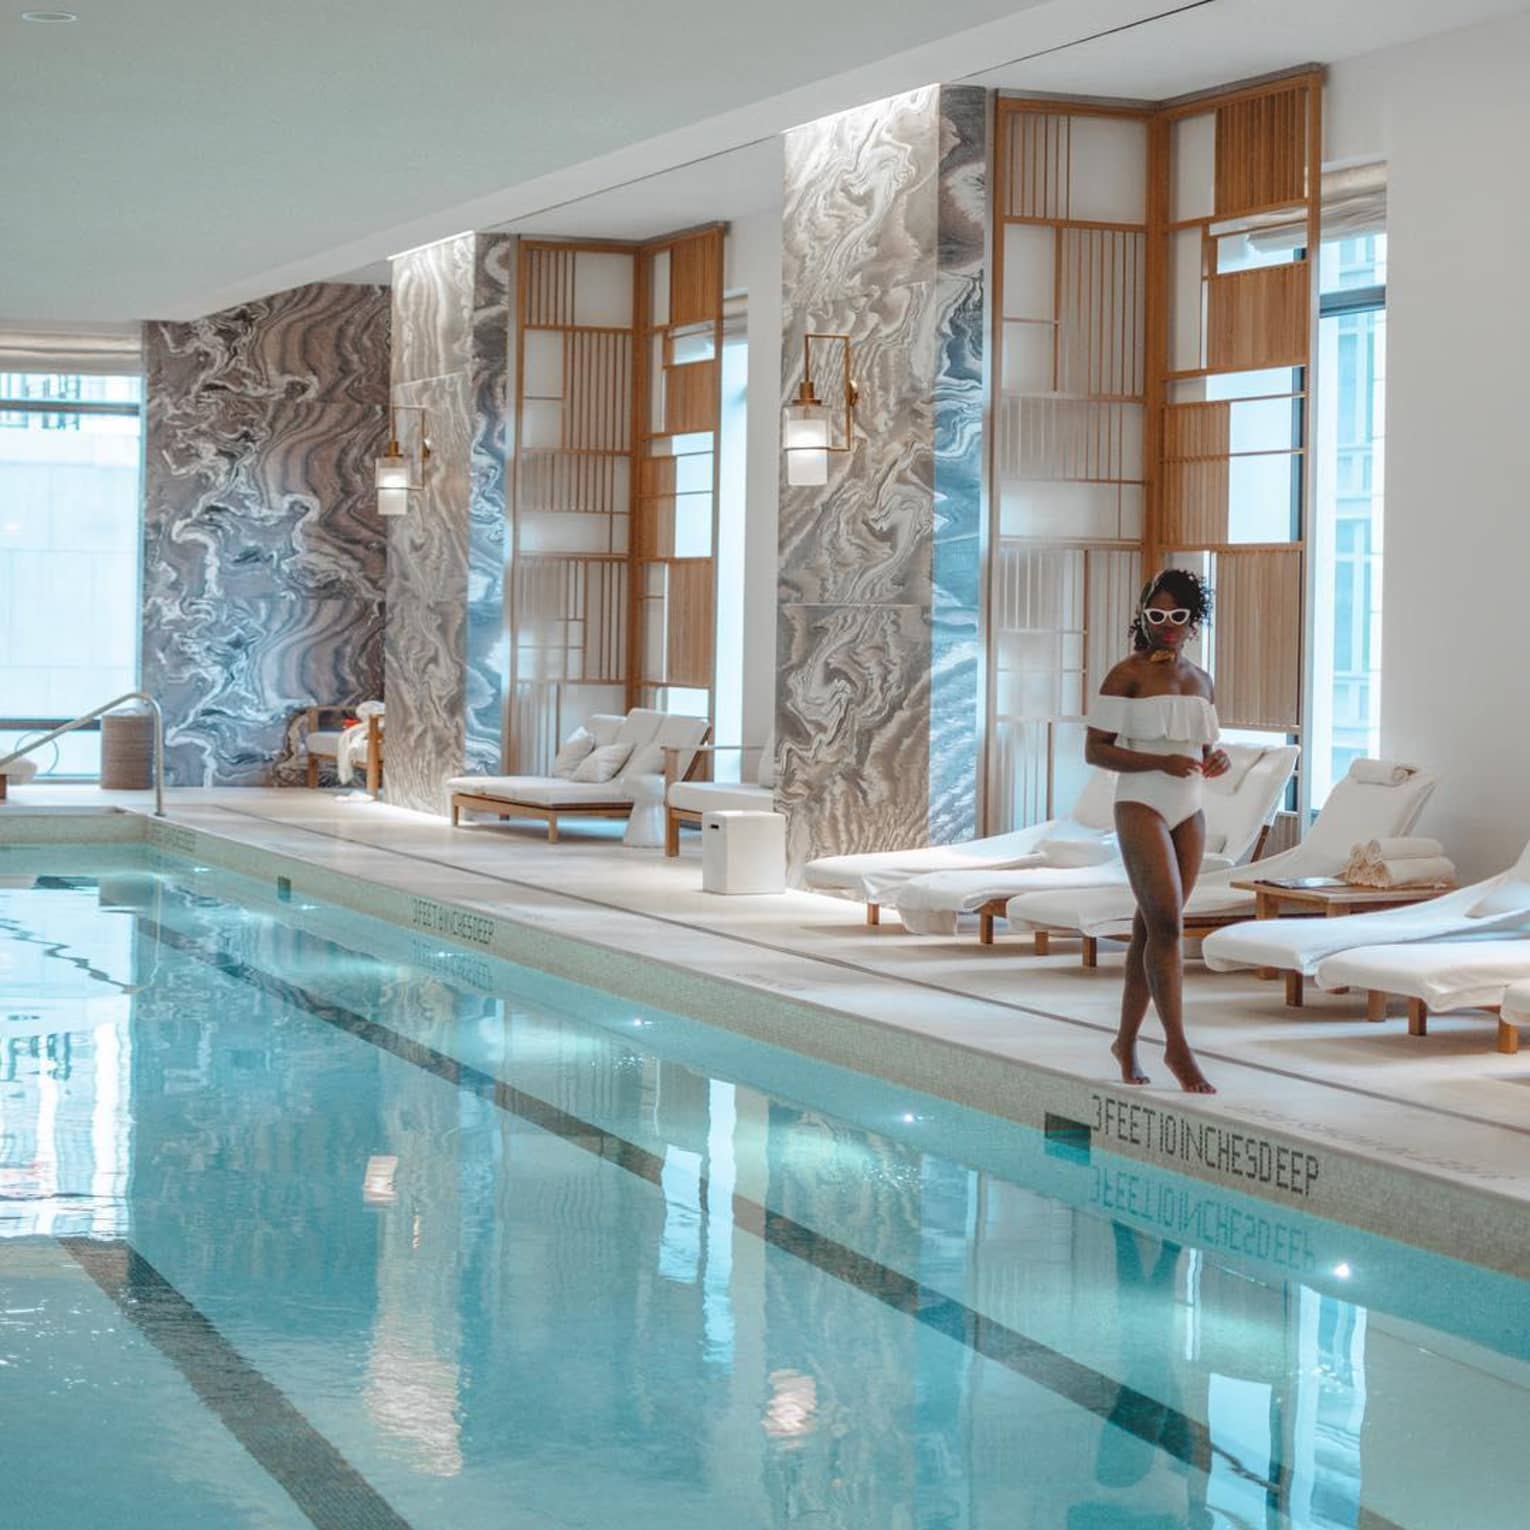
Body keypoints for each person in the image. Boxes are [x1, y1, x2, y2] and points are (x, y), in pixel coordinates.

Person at [1085, 570, 1230, 1094]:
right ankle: (1177, 1047)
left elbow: (1206, 748)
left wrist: (1216, 761)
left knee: (1151, 929)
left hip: (1189, 809)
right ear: (1143, 617)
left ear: (1193, 622)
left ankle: (1125, 1042)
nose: (1166, 626)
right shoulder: (1127, 674)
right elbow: (1095, 748)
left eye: (1177, 617)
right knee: (1167, 925)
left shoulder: (1202, 679)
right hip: (1141, 801)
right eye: (1156, 616)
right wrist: (1160, 763)